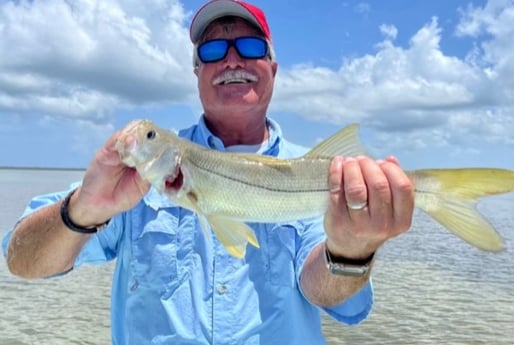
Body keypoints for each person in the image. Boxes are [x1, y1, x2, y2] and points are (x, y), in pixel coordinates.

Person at [2, 0, 414, 344]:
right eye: (213, 52)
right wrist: (81, 212)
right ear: (197, 72)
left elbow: (325, 293)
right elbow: (24, 262)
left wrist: (350, 250)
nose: (232, 59)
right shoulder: (131, 183)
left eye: (250, 46)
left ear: (273, 67)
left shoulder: (322, 172)